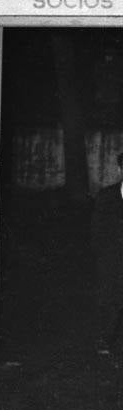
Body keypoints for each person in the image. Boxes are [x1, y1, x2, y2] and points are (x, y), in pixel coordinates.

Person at [90, 152, 123, 355]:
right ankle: (106, 338)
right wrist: (103, 256)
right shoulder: (106, 196)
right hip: (112, 258)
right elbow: (97, 229)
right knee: (110, 297)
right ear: (120, 169)